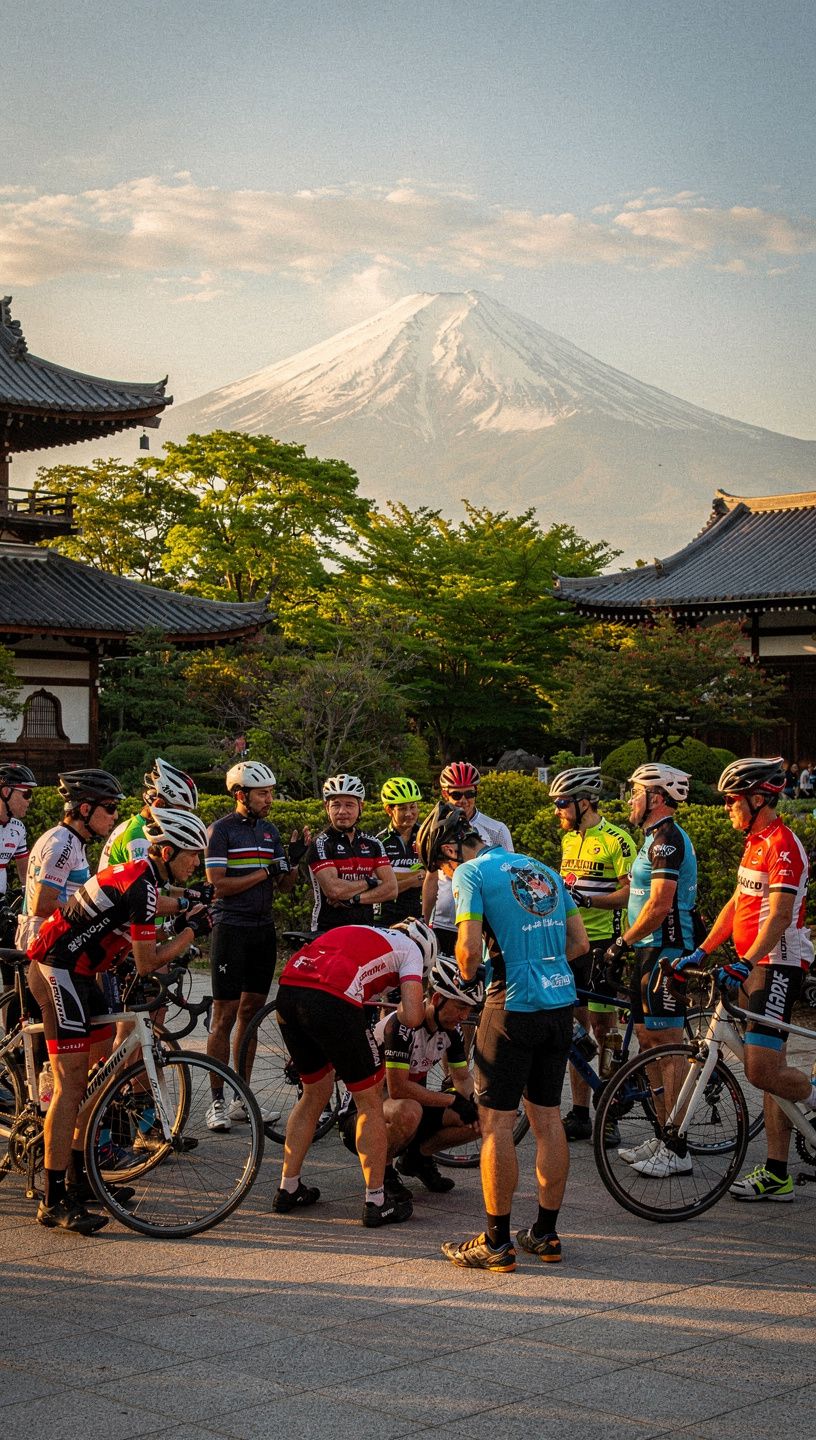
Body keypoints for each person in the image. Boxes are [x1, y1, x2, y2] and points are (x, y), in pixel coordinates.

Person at [417, 802, 587, 1273]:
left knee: (495, 1125)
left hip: (510, 1007)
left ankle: (496, 1241)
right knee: (548, 1119)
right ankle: (546, 1234)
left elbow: (468, 949)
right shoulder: (542, 868)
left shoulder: (471, 874)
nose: (446, 875)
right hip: (558, 1006)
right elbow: (579, 944)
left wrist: (477, 970)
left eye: (441, 866)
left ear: (451, 849)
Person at [26, 806, 211, 1234]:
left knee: (95, 1078)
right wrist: (190, 933)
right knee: (71, 1085)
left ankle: (81, 1180)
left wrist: (184, 910)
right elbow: (147, 965)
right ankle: (53, 1199)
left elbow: (147, 914)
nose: (196, 864)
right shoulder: (140, 883)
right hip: (57, 970)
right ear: (167, 851)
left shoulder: (144, 878)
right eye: (192, 856)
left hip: (84, 974)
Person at [671, 757, 816, 1201]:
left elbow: (780, 918)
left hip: (778, 964)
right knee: (771, 1069)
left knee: (759, 1069)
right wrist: (703, 949)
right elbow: (738, 903)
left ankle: (814, 1094)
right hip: (757, 964)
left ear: (758, 799)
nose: (727, 809)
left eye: (733, 801)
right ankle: (776, 1172)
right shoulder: (755, 841)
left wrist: (748, 962)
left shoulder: (783, 844)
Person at [274, 919, 431, 1226]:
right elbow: (412, 1016)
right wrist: (400, 1009)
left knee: (313, 1094)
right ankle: (376, 1201)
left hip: (289, 989)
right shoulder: (411, 949)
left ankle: (288, 1187)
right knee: (369, 1101)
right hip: (332, 996)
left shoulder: (359, 930)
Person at [604, 763, 698, 1178]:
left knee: (667, 1045)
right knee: (648, 1040)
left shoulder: (667, 840)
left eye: (635, 792)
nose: (629, 799)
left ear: (655, 798)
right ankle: (664, 1133)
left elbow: (660, 906)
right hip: (648, 949)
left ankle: (678, 1146)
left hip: (667, 948)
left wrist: (622, 941)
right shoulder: (651, 839)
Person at [204, 761, 309, 1132]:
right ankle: (215, 1101)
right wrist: (267, 870)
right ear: (240, 795)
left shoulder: (270, 830)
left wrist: (293, 864)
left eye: (270, 792)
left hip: (263, 930)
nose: (269, 799)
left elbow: (283, 886)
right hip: (230, 929)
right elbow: (218, 885)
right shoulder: (220, 831)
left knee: (250, 1013)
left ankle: (240, 1098)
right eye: (263, 793)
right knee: (224, 1017)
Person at [549, 766, 636, 1143]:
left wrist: (590, 900)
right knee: (577, 1029)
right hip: (571, 944)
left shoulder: (617, 839)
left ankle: (610, 1112)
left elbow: (631, 894)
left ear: (584, 803)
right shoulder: (569, 840)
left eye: (563, 804)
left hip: (602, 944)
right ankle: (580, 1112)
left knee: (604, 1029)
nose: (558, 811)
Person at [375, 954, 483, 1193]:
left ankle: (417, 1158)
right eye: (460, 1007)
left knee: (482, 1117)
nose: (464, 1017)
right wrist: (453, 1100)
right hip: (369, 1109)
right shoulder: (402, 1026)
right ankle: (381, 1172)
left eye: (469, 1009)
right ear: (436, 998)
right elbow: (397, 1089)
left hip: (411, 1105)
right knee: (408, 1111)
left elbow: (462, 1077)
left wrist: (475, 1103)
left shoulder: (451, 1030)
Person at [16, 770, 123, 953]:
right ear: (85, 809)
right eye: (110, 807)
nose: (115, 815)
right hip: (46, 941)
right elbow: (43, 905)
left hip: (57, 937)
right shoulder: (61, 845)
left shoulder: (71, 841)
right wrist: (95, 914)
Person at [422, 762, 514, 954]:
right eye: (456, 794)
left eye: (469, 794)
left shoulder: (496, 829)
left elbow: (508, 876)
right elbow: (431, 878)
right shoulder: (437, 829)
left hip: (482, 923)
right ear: (445, 794)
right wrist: (425, 920)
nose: (464, 800)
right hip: (444, 923)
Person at [305, 774, 397, 934]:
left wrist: (354, 898)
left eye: (349, 805)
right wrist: (371, 882)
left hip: (365, 929)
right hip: (328, 930)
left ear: (361, 807)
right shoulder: (320, 843)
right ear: (327, 807)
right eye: (336, 805)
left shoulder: (373, 843)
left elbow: (391, 889)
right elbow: (333, 890)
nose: (342, 811)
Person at [99, 756, 199, 868]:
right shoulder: (138, 836)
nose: (186, 817)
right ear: (159, 804)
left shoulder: (144, 826)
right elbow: (144, 883)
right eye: (183, 811)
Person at [0, 763, 36, 981]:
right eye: (26, 793)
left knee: (12, 962)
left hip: (1, 901)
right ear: (5, 791)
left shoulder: (17, 829)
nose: (30, 800)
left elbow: (26, 876)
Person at [375, 777, 425, 927]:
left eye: (413, 806)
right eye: (402, 808)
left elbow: (433, 876)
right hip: (387, 917)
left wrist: (396, 877)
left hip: (420, 916)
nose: (409, 813)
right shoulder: (379, 841)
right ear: (389, 810)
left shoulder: (427, 837)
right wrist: (414, 878)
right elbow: (379, 884)